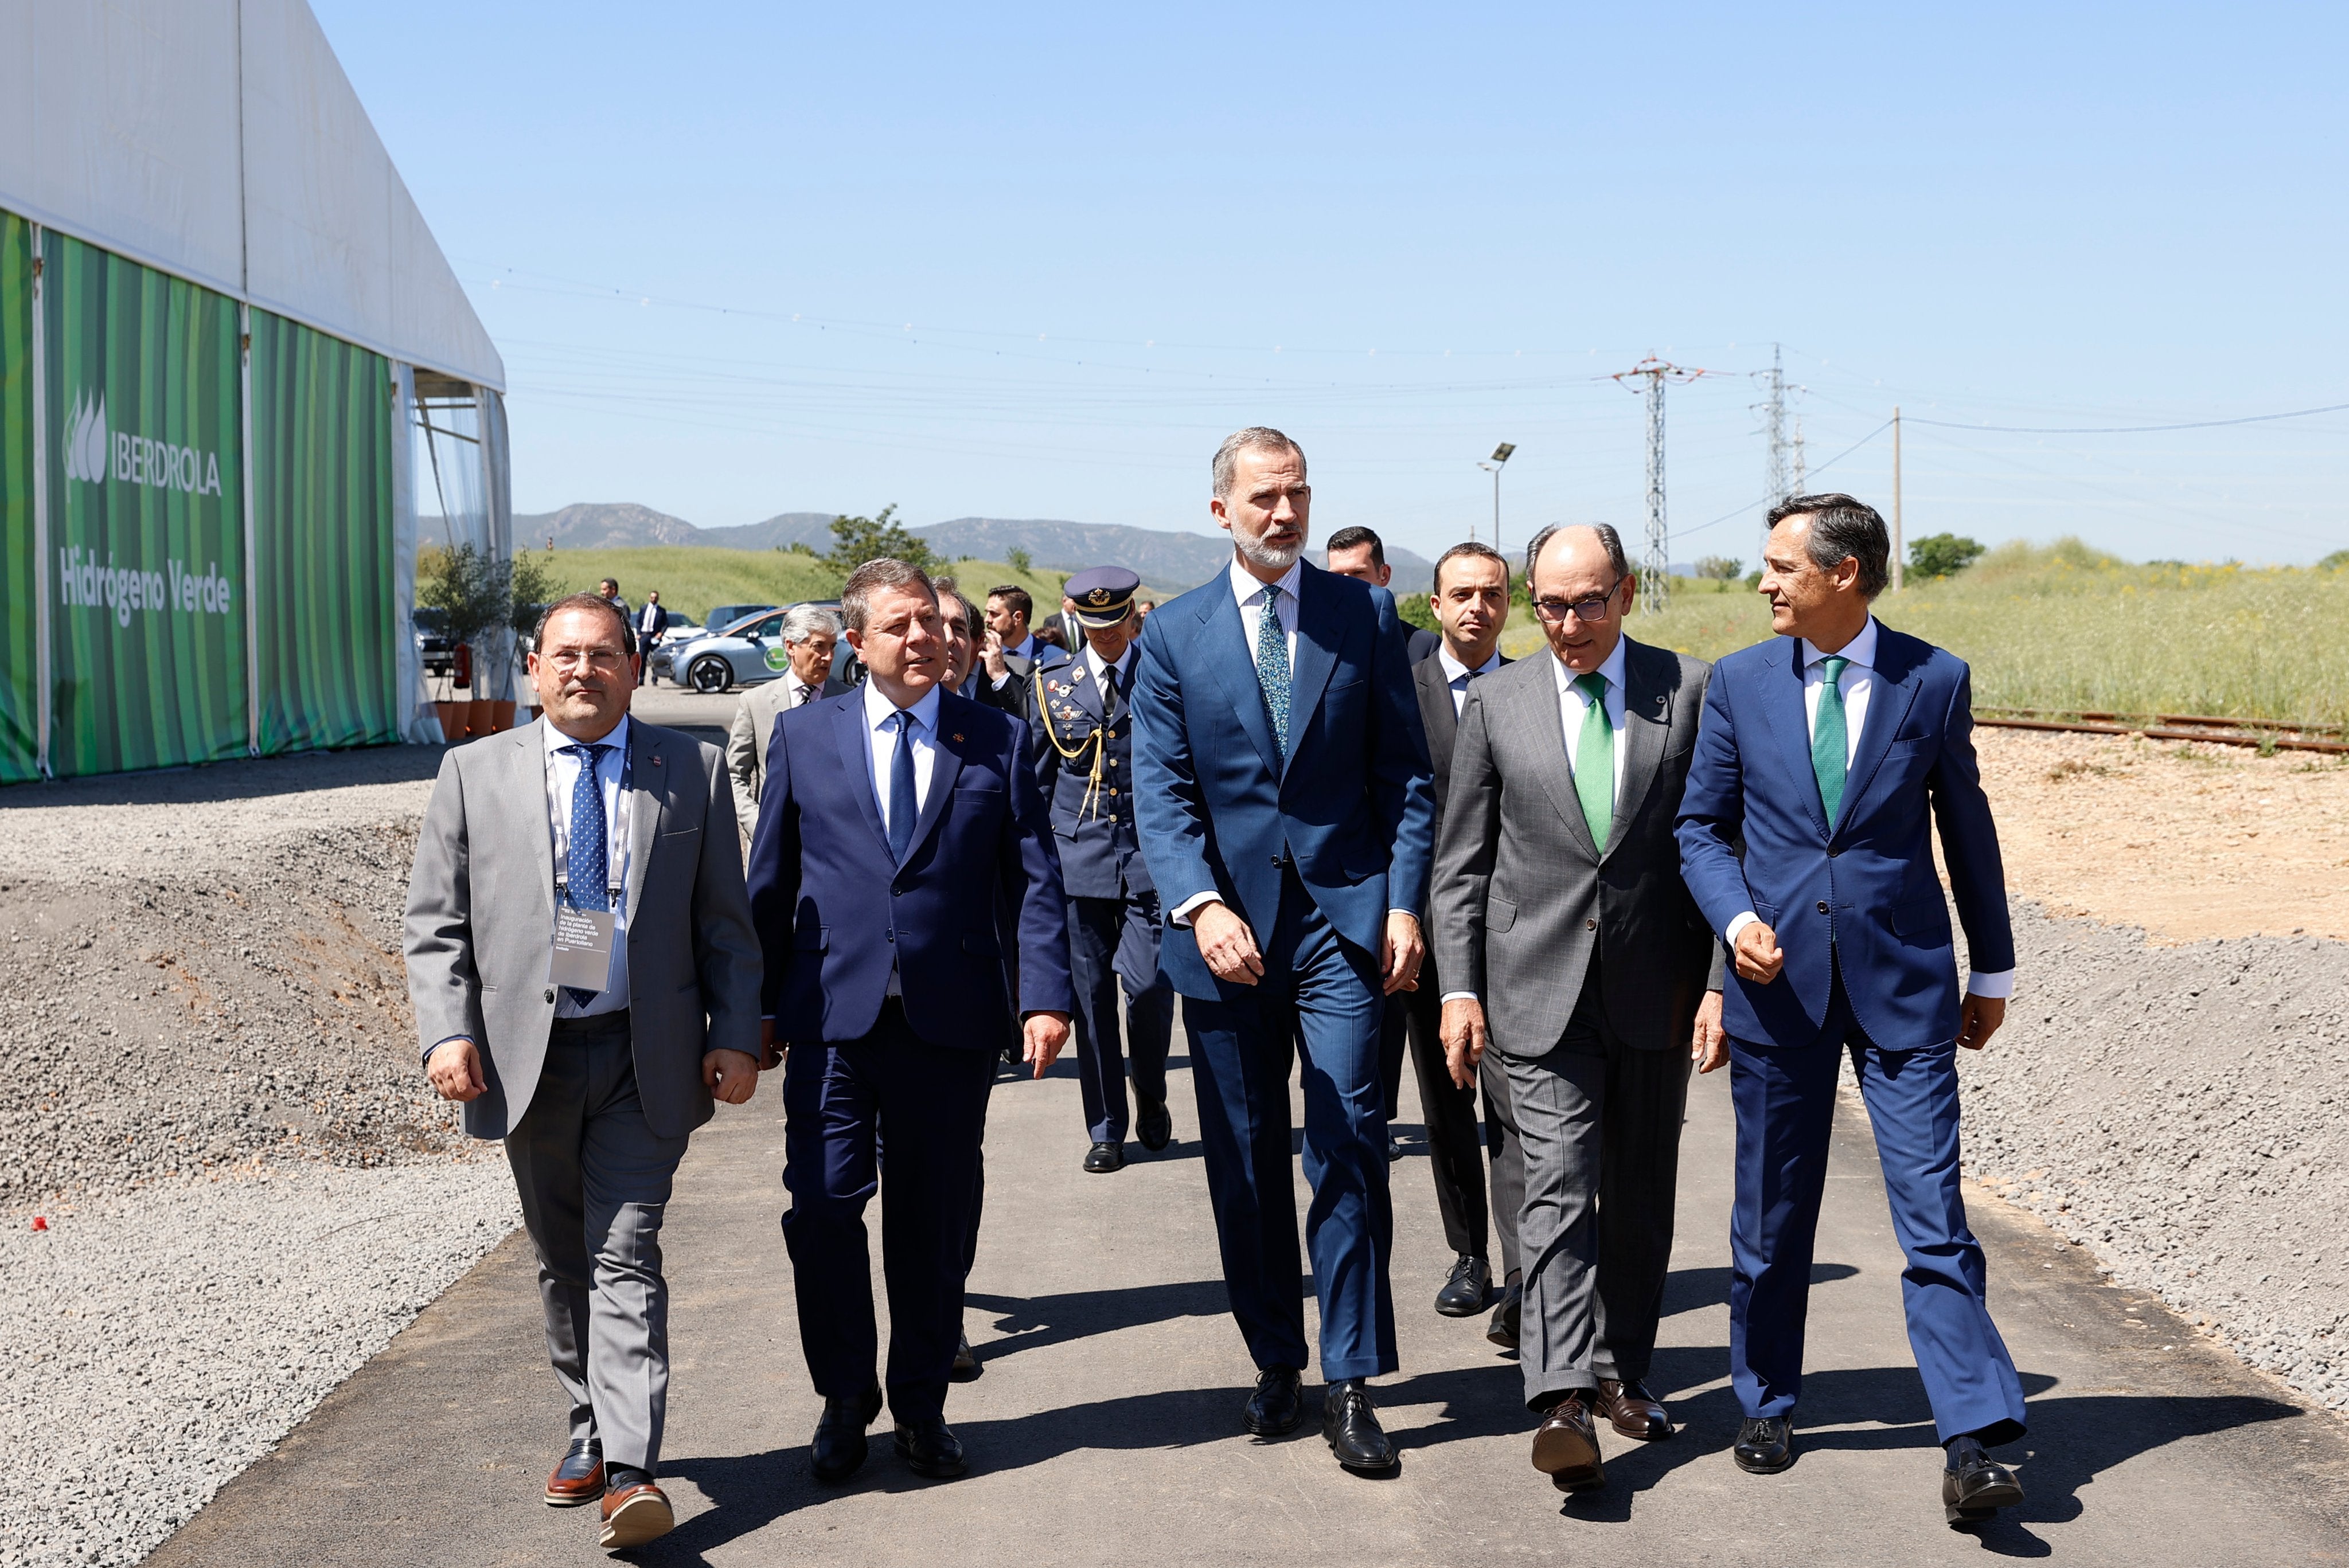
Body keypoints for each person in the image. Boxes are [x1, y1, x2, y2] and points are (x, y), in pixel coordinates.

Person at [1675, 494, 2026, 1524]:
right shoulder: (1738, 683)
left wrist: (1991, 971)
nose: (1763, 582)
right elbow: (1702, 827)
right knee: (1772, 1215)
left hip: (1906, 987)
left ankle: (1976, 1438)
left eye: (1782, 566)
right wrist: (1734, 922)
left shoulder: (1934, 679)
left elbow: (1968, 829)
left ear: (1845, 576)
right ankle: (1768, 1398)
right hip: (1774, 988)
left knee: (1933, 1219)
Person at [403, 592, 762, 1551]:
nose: (583, 672)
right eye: (565, 655)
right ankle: (589, 1427)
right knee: (564, 1261)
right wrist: (446, 1032)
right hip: (532, 1061)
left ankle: (634, 1473)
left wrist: (735, 1031)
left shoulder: (683, 769)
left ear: (632, 668)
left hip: (646, 1057)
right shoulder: (475, 772)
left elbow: (725, 923)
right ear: (533, 669)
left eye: (604, 656)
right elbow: (433, 923)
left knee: (625, 1253)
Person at [1132, 427, 1435, 1477]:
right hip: (1225, 939)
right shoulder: (1172, 636)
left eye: (1298, 494)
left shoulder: (1364, 614)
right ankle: (1276, 1360)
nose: (1285, 513)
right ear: (1221, 510)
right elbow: (1161, 796)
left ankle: (1352, 1378)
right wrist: (1199, 904)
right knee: (1248, 1163)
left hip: (1343, 926)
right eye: (1263, 497)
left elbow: (1404, 776)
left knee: (1348, 1136)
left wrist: (1402, 902)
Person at [747, 558, 1074, 1485]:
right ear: (857, 642)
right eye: (900, 626)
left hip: (951, 1020)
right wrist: (755, 1007)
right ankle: (846, 1395)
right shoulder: (805, 738)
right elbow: (769, 883)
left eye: (932, 622)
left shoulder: (995, 741)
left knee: (930, 1220)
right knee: (821, 1208)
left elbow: (1035, 881)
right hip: (829, 1016)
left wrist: (1045, 995)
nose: (924, 638)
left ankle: (921, 1402)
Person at [1433, 525, 1724, 1496]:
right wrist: (1460, 988)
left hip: (1655, 988)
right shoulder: (1499, 702)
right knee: (1554, 1188)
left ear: (1627, 594)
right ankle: (1560, 1398)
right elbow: (1462, 863)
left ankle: (1622, 1378)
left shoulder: (1686, 691)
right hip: (1533, 987)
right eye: (1550, 606)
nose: (1568, 625)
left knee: (1639, 1200)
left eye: (1588, 603)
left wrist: (1719, 982)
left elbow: (1724, 844)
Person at [1396, 541, 1517, 1328]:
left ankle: (1525, 1272)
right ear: (1434, 605)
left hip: (1515, 929)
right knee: (1446, 1098)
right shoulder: (1398, 692)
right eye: (1461, 594)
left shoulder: (1534, 688)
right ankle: (1469, 1252)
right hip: (1426, 929)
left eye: (1492, 594)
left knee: (1515, 1106)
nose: (1477, 606)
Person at [1032, 566, 1175, 1173]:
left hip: (1150, 859)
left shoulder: (1162, 675)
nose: (1106, 634)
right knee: (1090, 1002)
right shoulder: (1052, 685)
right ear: (1076, 619)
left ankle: (1151, 1087)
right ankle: (1106, 1127)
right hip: (1080, 860)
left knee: (1148, 989)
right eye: (1094, 624)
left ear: (1134, 617)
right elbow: (1037, 784)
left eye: (1115, 622)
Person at [725, 604, 848, 850]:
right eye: (819, 646)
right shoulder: (755, 702)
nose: (829, 657)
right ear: (791, 647)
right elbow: (733, 775)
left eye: (833, 647)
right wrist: (759, 824)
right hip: (772, 847)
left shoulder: (849, 700)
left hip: (833, 849)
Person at [1326, 526, 1441, 665]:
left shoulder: (1422, 648)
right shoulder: (1316, 642)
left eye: (1358, 573)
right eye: (1336, 575)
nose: (1346, 584)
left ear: (1384, 575)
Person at [636, 591, 670, 686]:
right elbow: (638, 622)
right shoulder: (644, 608)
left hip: (655, 637)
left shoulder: (661, 611)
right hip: (644, 636)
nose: (653, 599)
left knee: (655, 657)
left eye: (655, 598)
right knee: (642, 658)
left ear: (658, 598)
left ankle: (655, 678)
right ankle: (641, 679)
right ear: (649, 598)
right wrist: (639, 633)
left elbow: (666, 624)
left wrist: (661, 633)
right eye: (652, 597)